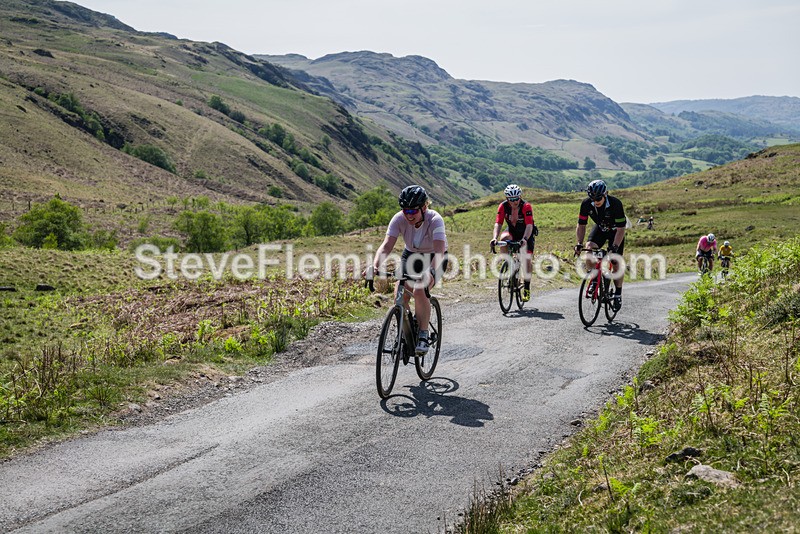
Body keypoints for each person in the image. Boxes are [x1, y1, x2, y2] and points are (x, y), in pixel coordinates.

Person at [370, 185, 447, 355]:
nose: (408, 215)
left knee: (420, 289)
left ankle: (423, 334)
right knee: (400, 291)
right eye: (406, 211)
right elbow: (387, 245)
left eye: (413, 211)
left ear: (424, 207)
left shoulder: (435, 220)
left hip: (435, 257)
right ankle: (406, 329)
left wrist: (431, 273)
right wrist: (375, 265)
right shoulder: (399, 219)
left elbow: (440, 252)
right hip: (411, 256)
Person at [575, 179, 627, 310]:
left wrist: (614, 247)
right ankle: (594, 278)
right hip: (601, 229)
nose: (595, 201)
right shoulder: (586, 204)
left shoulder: (616, 204)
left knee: (616, 262)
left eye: (598, 198)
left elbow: (621, 229)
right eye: (592, 198)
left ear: (606, 194)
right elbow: (581, 225)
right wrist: (579, 243)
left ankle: (618, 293)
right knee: (589, 248)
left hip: (615, 232)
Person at [490, 184, 537, 301]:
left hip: (526, 232)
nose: (514, 201)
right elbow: (498, 223)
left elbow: (529, 225)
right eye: (511, 199)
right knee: (503, 240)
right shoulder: (503, 207)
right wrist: (494, 238)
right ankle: (508, 264)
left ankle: (526, 288)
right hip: (512, 231)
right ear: (507, 199)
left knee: (526, 260)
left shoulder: (526, 206)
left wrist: (525, 239)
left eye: (516, 198)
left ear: (520, 197)